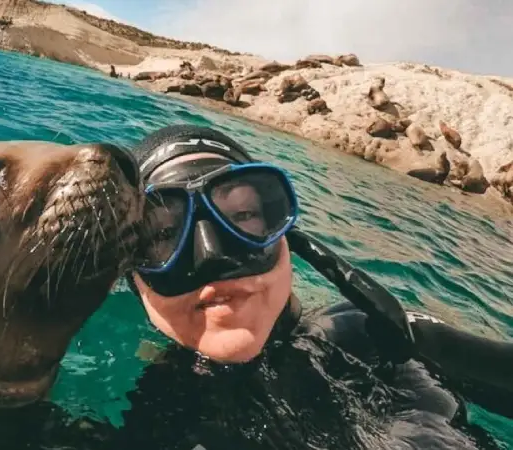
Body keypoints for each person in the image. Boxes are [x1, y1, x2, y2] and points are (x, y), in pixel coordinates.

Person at [112, 124, 513, 450]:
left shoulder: (372, 337)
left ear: (288, 238)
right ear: (135, 279)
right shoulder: (161, 407)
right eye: (163, 234)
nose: (213, 256)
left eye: (244, 215)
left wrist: (424, 347)